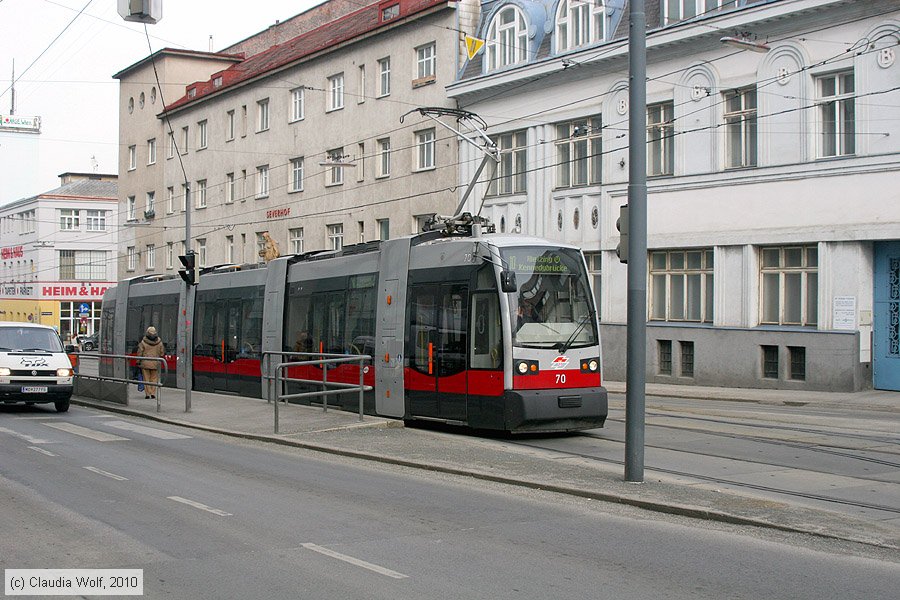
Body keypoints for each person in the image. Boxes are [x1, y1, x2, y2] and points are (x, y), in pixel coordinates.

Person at [137, 326, 166, 399]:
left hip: (145, 363)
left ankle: (148, 394)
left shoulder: (143, 342)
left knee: (146, 378)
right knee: (154, 378)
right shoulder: (159, 342)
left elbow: (140, 353)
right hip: (155, 363)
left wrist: (138, 361)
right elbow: (162, 353)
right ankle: (153, 393)